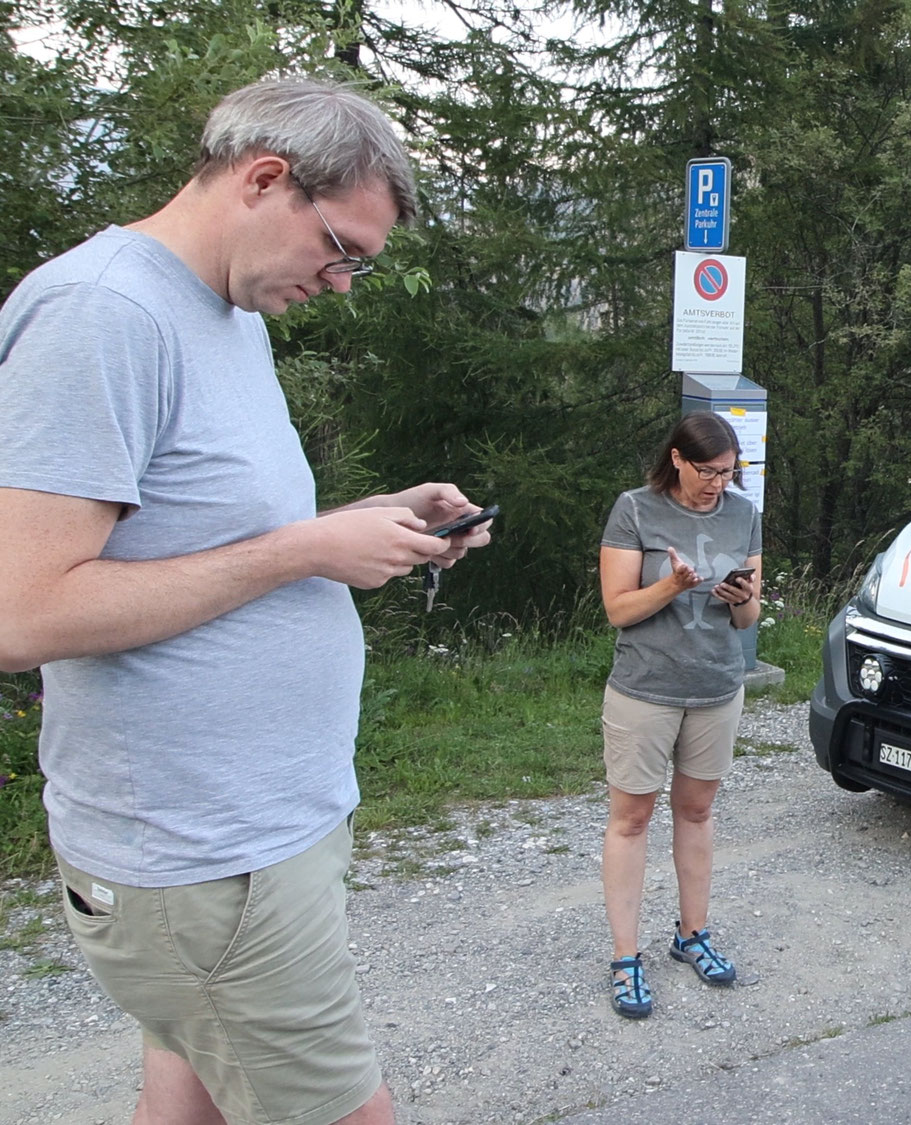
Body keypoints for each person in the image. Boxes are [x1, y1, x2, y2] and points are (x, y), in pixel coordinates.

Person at [0, 79, 493, 1125]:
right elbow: (22, 614)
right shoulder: (102, 315)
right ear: (264, 180)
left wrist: (373, 522)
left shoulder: (222, 312)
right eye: (342, 249)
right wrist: (305, 550)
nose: (345, 282)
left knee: (188, 1097)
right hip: (199, 861)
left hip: (255, 835)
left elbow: (214, 532)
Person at [597, 410, 762, 1017]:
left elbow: (748, 620)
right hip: (645, 688)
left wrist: (742, 600)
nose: (718, 483)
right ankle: (625, 958)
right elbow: (617, 609)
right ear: (676, 459)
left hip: (717, 685)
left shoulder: (744, 514)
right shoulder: (635, 509)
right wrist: (672, 585)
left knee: (696, 812)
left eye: (727, 472)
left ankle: (692, 935)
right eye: (707, 471)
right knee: (631, 820)